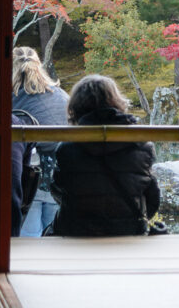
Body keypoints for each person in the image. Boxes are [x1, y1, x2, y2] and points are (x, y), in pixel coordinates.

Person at [50, 75, 164, 237]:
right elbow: (152, 198)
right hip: (127, 233)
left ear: (75, 106)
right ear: (117, 101)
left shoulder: (67, 148)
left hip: (77, 233)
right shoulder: (141, 145)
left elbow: (58, 189)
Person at [11, 46, 69, 236]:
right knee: (56, 238)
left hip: (29, 175)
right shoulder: (60, 95)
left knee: (29, 240)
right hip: (61, 174)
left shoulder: (10, 98)